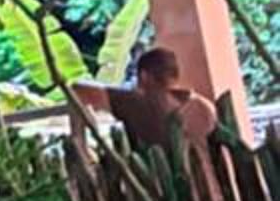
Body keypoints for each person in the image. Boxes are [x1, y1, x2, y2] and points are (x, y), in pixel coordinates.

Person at [69, 46, 218, 153]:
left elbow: (78, 90)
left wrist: (80, 145)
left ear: (144, 76)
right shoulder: (202, 106)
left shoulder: (136, 102)